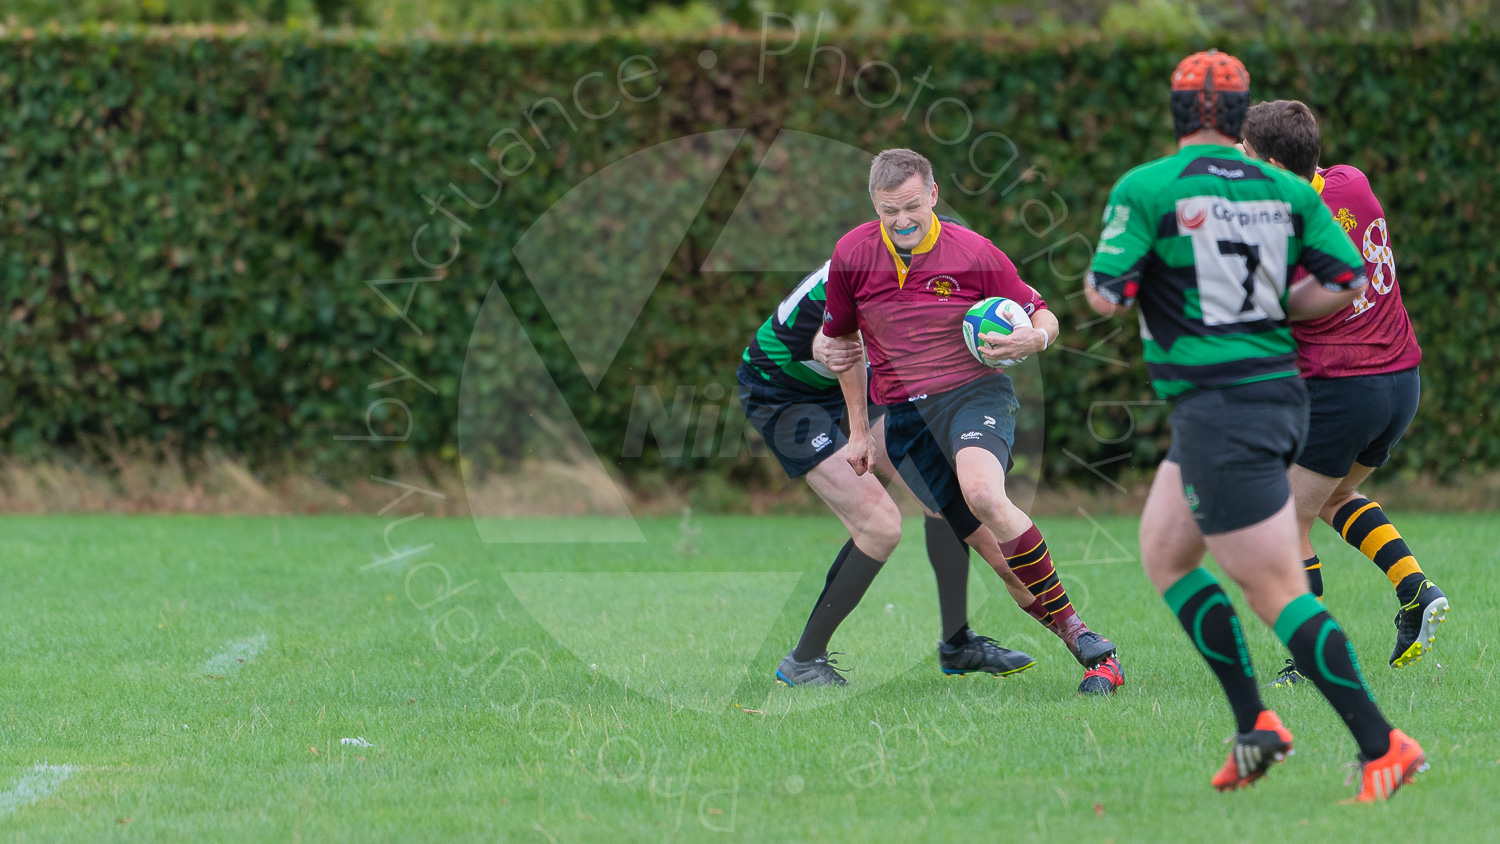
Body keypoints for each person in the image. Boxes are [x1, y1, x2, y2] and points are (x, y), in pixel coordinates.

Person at [1085, 50, 1425, 801]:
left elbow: (1107, 295)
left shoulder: (1146, 187)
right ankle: (1256, 727)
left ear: (1176, 113)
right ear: (1239, 120)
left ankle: (1383, 743)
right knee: (1167, 551)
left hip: (1225, 404)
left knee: (1275, 591)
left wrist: (1151, 287)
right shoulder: (1283, 187)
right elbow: (1345, 282)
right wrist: (1270, 307)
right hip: (1263, 396)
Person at [820, 148, 1126, 696]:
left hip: (972, 395)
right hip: (906, 418)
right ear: (875, 205)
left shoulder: (974, 252)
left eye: (912, 206)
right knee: (1000, 561)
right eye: (890, 210)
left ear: (933, 195)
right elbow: (843, 344)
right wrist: (860, 431)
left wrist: (1037, 337)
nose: (903, 220)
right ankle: (1094, 656)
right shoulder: (851, 254)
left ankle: (1083, 636)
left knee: (984, 493)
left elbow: (1041, 313)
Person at [738, 229, 1039, 688]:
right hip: (783, 394)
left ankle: (957, 644)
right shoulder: (860, 271)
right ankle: (804, 660)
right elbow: (830, 345)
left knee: (942, 494)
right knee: (879, 525)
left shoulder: (932, 271)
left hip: (859, 388)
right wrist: (833, 366)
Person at [1237, 100, 1447, 687]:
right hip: (1402, 383)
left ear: (1274, 164)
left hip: (1342, 391)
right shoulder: (1352, 182)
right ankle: (1414, 588)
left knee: (1285, 521)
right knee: (1335, 496)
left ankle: (1310, 658)